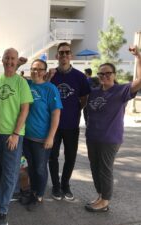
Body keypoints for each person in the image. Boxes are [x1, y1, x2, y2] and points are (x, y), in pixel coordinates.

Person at [84, 46, 141, 212]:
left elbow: (139, 80)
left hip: (109, 139)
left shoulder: (120, 91)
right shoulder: (94, 92)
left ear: (114, 75)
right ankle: (100, 196)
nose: (104, 76)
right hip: (92, 137)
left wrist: (138, 57)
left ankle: (105, 201)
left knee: (105, 170)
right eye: (101, 74)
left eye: (108, 73)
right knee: (95, 168)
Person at [0, 48, 33, 225]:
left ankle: (2, 210)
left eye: (13, 59)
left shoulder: (21, 83)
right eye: (7, 58)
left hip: (13, 136)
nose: (10, 61)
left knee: (10, 173)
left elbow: (25, 109)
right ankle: (4, 196)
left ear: (16, 61)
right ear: (2, 61)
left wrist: (15, 134)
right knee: (4, 169)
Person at [48, 42, 91, 201]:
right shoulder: (51, 76)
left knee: (70, 156)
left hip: (72, 124)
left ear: (71, 55)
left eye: (67, 52)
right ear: (57, 56)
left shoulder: (80, 77)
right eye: (61, 53)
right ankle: (56, 186)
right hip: (53, 125)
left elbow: (85, 98)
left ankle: (65, 185)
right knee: (52, 157)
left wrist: (76, 109)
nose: (64, 55)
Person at [23, 59, 62, 211]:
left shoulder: (50, 89)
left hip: (42, 139)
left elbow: (56, 114)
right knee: (31, 167)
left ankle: (39, 195)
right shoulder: (27, 86)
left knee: (40, 168)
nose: (36, 72)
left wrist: (51, 136)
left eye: (39, 69)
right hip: (26, 137)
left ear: (45, 72)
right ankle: (33, 191)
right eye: (33, 68)